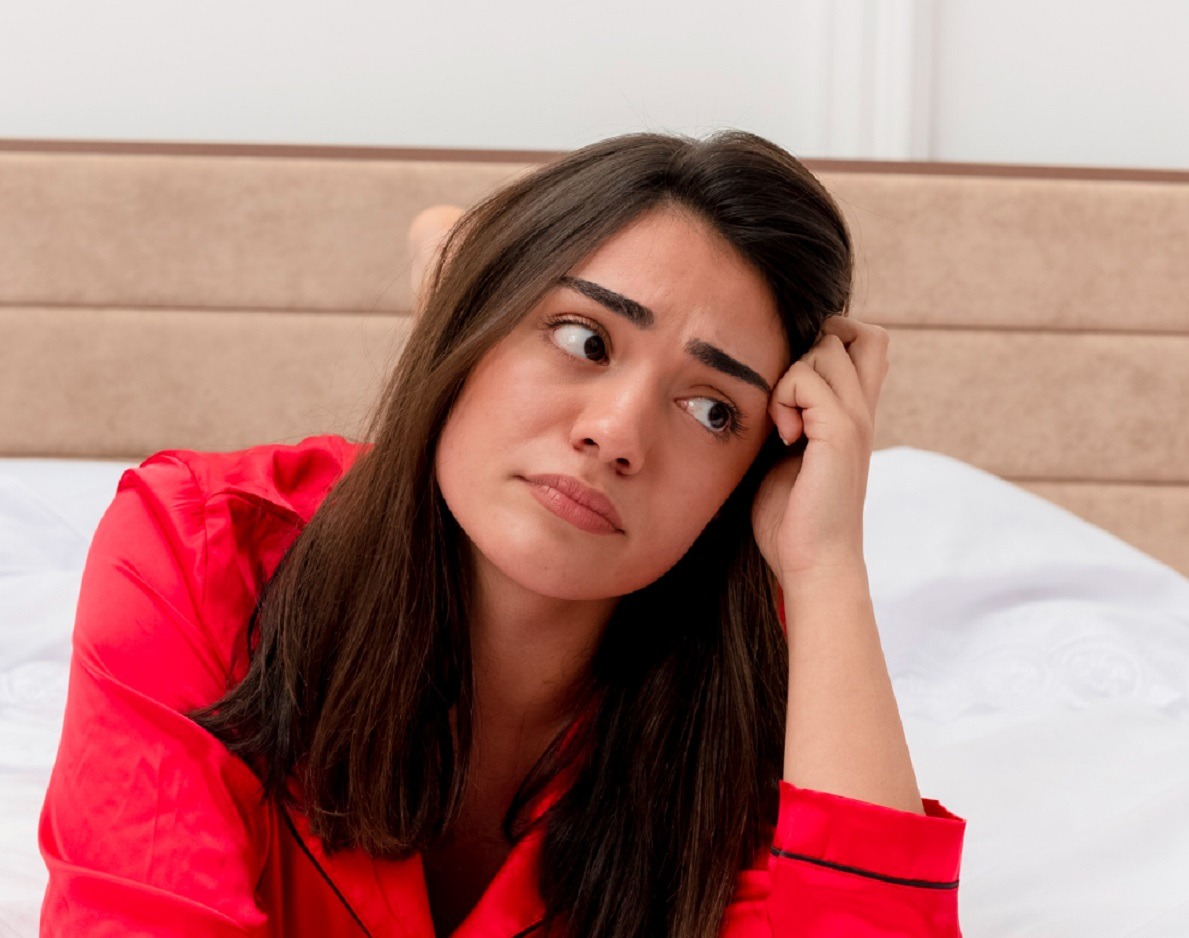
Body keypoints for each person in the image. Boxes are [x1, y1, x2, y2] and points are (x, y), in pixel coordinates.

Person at [38, 130, 966, 937]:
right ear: (472, 329)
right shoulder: (199, 547)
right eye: (585, 339)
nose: (616, 433)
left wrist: (826, 566)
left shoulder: (767, 698)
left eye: (711, 408)